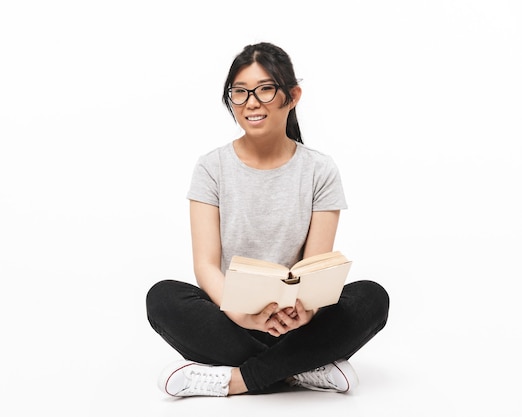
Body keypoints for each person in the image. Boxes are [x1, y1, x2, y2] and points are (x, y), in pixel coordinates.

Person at [145, 42, 389, 398]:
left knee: (371, 298)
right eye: (239, 93)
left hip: (298, 321)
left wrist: (304, 313)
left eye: (265, 89)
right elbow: (207, 267)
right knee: (162, 297)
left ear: (292, 96)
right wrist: (242, 315)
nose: (251, 103)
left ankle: (235, 380)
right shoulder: (211, 168)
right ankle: (303, 368)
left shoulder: (319, 170)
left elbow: (313, 269)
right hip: (233, 320)